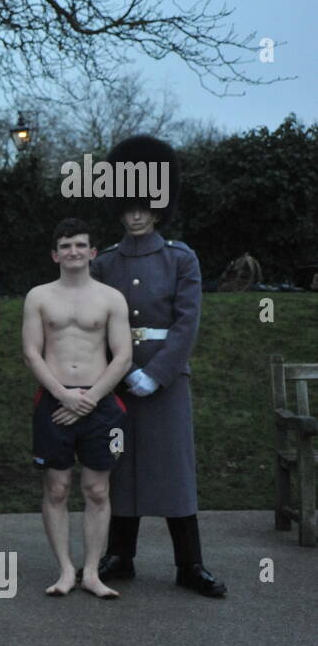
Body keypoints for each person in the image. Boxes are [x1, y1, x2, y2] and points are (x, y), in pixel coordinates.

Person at [90, 135, 226, 597]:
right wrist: (112, 371)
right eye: (128, 207)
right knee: (120, 467)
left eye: (144, 206)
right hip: (117, 378)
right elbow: (92, 318)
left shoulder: (179, 258)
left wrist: (158, 372)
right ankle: (120, 555)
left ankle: (190, 564)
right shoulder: (105, 262)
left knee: (173, 469)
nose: (135, 214)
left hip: (164, 381)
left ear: (158, 208)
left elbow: (187, 323)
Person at [22, 219, 132, 598]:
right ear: (55, 254)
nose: (73, 251)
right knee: (56, 487)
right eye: (65, 246)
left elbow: (123, 356)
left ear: (92, 252)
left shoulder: (110, 298)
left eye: (80, 245)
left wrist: (90, 398)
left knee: (97, 489)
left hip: (100, 401)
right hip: (54, 399)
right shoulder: (39, 296)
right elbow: (31, 352)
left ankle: (91, 573)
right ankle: (65, 570)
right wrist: (63, 394)